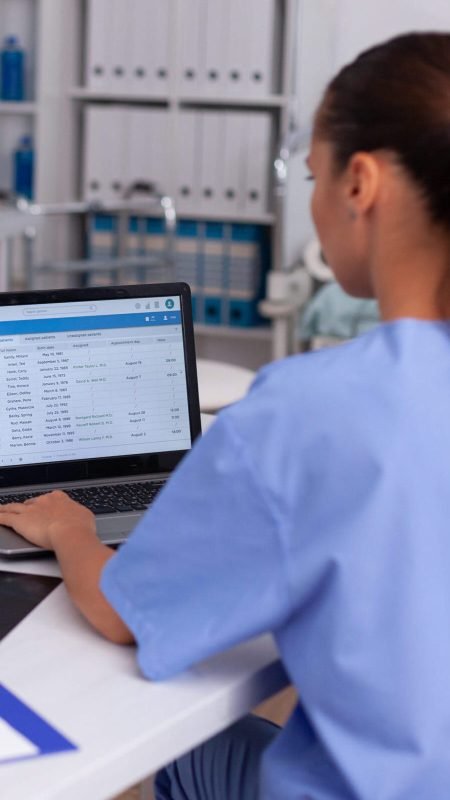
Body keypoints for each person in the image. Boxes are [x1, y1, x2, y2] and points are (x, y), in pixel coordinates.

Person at [1, 30, 450, 799]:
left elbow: (126, 618)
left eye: (312, 176)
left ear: (361, 184)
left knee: (181, 739)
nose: (311, 202)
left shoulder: (308, 411)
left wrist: (70, 525)